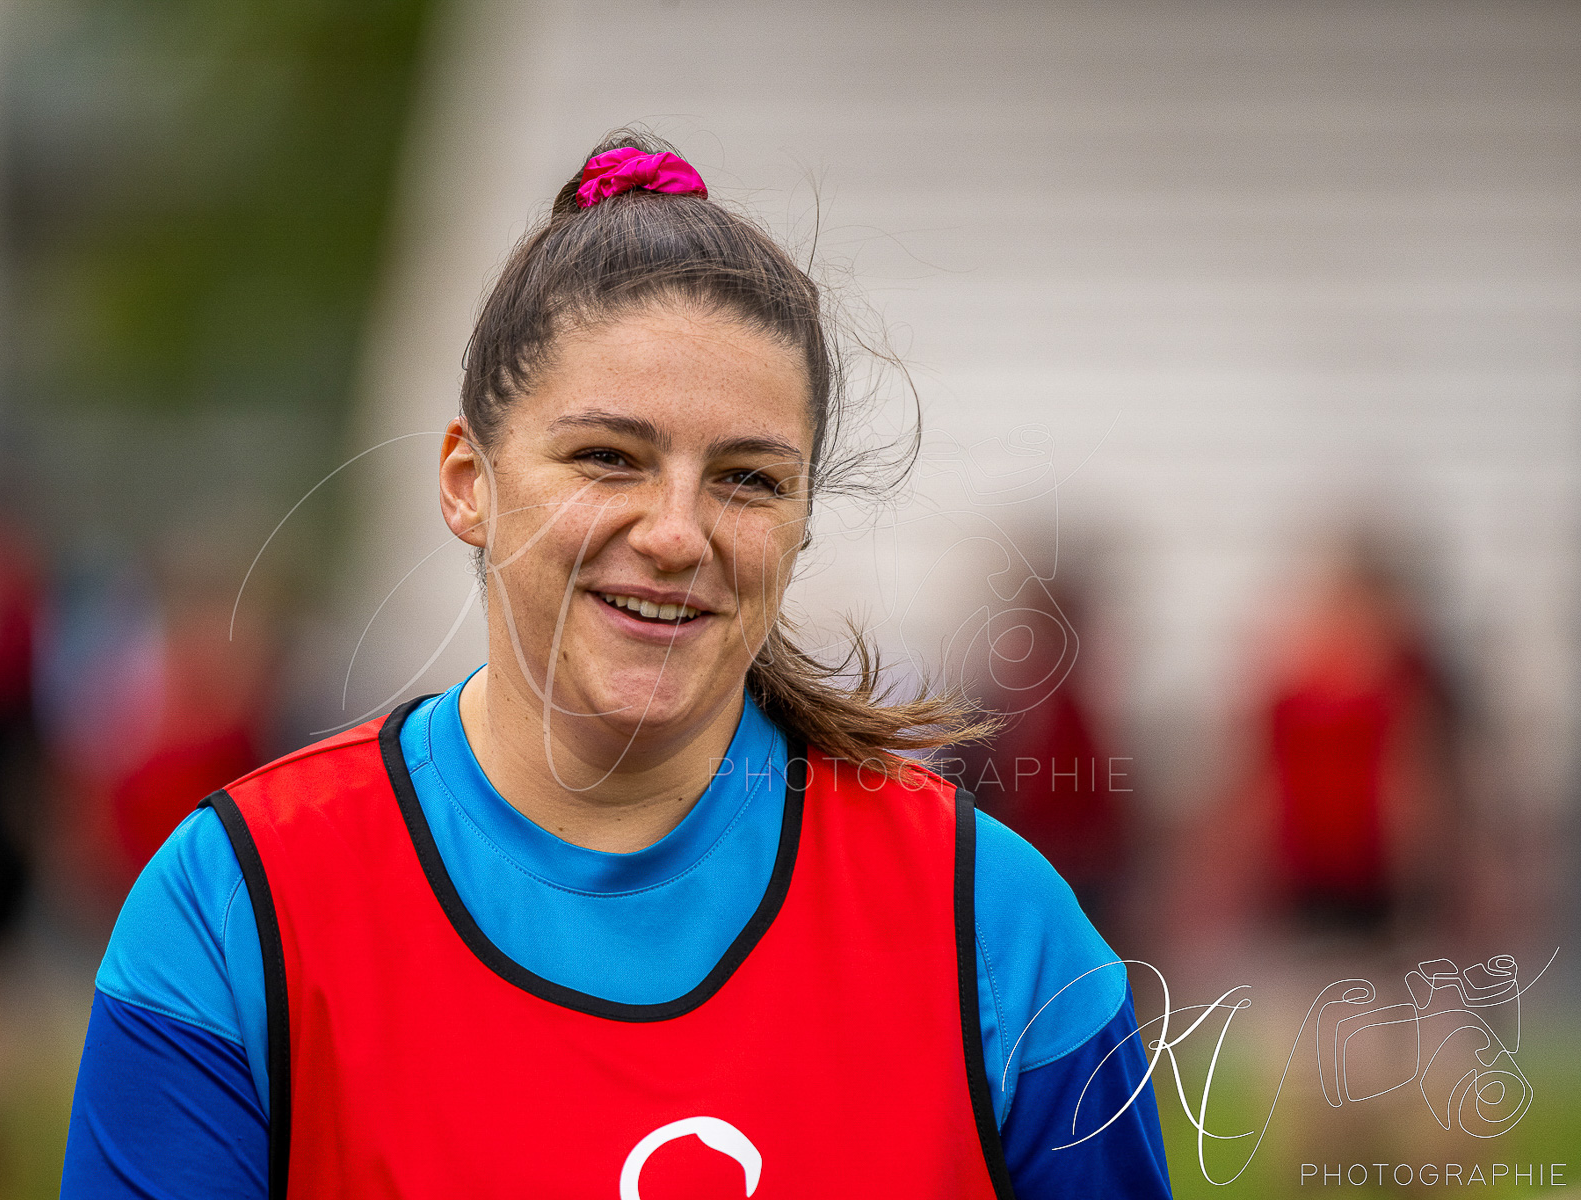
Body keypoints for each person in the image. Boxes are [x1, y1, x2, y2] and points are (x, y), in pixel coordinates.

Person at [61, 134, 1172, 1198]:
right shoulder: (235, 907)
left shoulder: (999, 927)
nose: (679, 533)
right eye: (608, 457)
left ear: (800, 526)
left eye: (746, 479)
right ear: (467, 481)